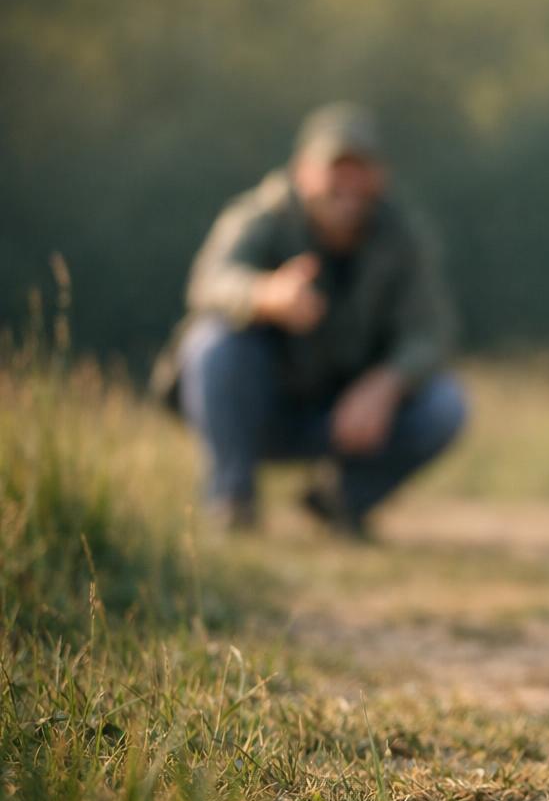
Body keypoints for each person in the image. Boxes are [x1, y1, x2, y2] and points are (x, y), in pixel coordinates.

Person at [155, 102, 466, 537]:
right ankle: (231, 500)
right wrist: (264, 295)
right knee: (212, 343)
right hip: (260, 404)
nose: (348, 184)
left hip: (344, 415)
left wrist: (386, 384)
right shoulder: (262, 216)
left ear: (380, 177)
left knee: (444, 404)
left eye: (360, 170)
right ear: (302, 171)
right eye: (336, 169)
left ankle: (340, 501)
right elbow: (208, 281)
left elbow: (431, 332)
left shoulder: (403, 236)